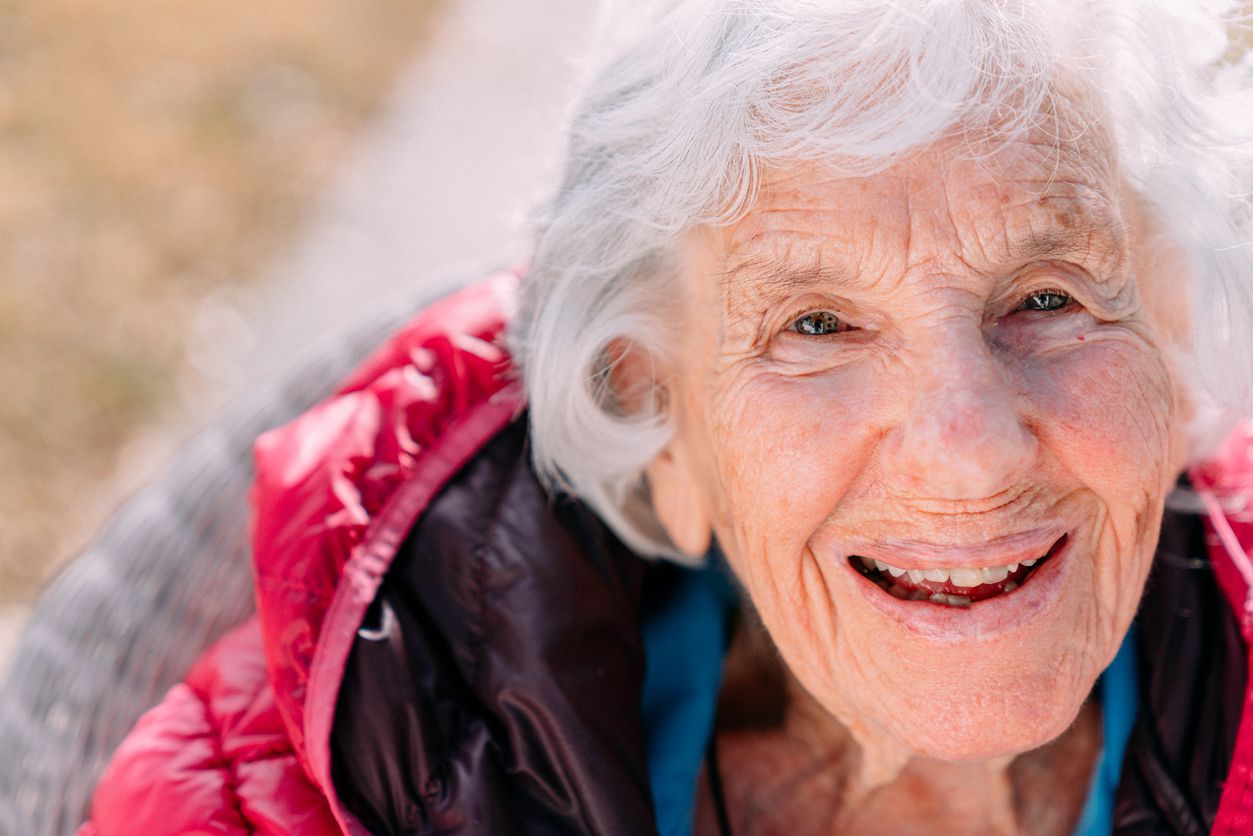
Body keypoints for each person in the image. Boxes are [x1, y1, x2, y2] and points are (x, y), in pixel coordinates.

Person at [79, 1, 1253, 833]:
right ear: (662, 424)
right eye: (814, 326)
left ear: (1171, 329)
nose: (970, 444)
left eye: (1046, 297)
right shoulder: (314, 784)